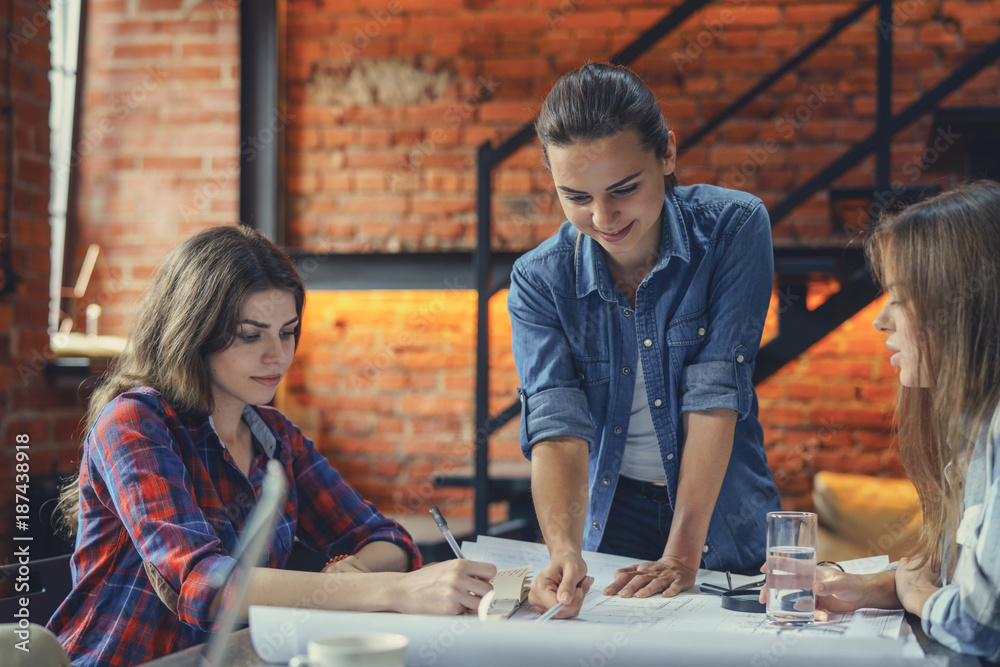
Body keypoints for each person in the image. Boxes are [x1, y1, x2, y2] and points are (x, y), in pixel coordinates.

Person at [47, 226, 496, 667]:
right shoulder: (134, 423)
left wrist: (345, 572)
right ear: (193, 330)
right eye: (251, 334)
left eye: (287, 331)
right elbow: (204, 586)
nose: (277, 355)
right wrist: (392, 591)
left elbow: (388, 539)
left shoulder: (274, 434)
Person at [507, 63, 781, 618]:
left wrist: (681, 555)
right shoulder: (539, 279)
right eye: (576, 196)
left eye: (624, 189)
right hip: (612, 510)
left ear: (668, 155)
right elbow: (557, 425)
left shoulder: (733, 228)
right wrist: (563, 549)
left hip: (721, 511)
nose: (603, 217)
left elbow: (715, 394)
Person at [760, 182, 1000, 660]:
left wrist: (918, 598)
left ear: (964, 307)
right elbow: (969, 585)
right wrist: (871, 587)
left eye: (901, 297)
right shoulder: (970, 422)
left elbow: (982, 627)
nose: (881, 320)